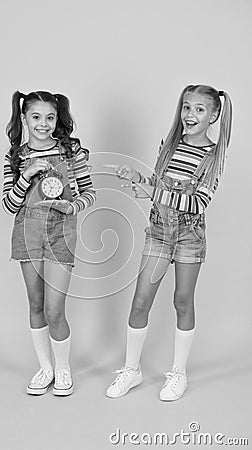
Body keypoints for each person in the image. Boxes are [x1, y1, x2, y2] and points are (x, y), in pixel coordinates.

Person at [105, 84, 232, 401]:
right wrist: (139, 180)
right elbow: (157, 185)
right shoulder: (169, 145)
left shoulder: (214, 156)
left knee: (182, 301)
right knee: (140, 302)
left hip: (189, 236)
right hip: (160, 232)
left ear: (214, 115)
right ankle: (131, 370)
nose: (190, 115)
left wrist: (152, 192)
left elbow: (199, 203)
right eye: (186, 107)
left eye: (199, 109)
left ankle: (179, 374)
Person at [2, 90, 96, 396]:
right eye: (36, 117)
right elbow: (9, 204)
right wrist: (26, 175)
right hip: (28, 232)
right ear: (25, 118)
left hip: (61, 232)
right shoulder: (16, 157)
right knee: (36, 303)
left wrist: (72, 207)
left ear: (58, 119)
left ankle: (63, 368)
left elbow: (89, 193)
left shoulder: (72, 153)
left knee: (55, 309)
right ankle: (45, 369)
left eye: (50, 117)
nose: (44, 124)